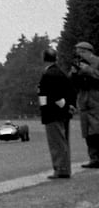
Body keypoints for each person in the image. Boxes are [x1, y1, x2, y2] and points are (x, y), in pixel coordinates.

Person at [38, 48, 74, 179]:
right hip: (62, 112)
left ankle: (60, 169)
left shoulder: (48, 75)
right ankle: (64, 168)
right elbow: (70, 91)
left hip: (52, 113)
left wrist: (45, 109)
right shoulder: (61, 73)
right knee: (63, 142)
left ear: (43, 58)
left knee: (56, 143)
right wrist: (68, 106)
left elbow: (47, 95)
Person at [72, 41, 99, 170]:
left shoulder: (97, 62)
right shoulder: (77, 64)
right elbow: (72, 83)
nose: (78, 55)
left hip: (96, 97)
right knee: (87, 131)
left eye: (80, 52)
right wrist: (74, 73)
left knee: (97, 129)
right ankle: (94, 158)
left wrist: (87, 70)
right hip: (83, 98)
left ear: (86, 51)